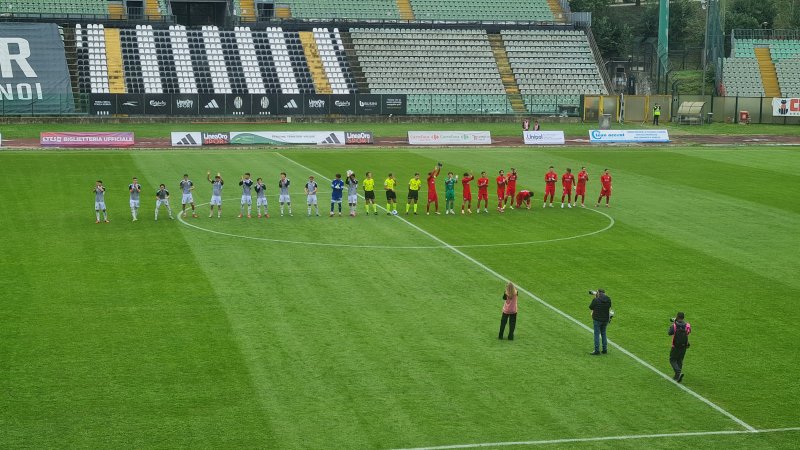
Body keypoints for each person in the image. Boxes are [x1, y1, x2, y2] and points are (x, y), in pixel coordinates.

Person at [668, 312, 692, 383]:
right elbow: (688, 332)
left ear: (677, 316)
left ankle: (678, 373)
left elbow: (669, 333)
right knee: (680, 360)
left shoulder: (674, 325)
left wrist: (672, 325)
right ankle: (677, 376)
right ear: (683, 317)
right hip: (684, 346)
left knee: (672, 359)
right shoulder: (687, 325)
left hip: (675, 346)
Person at [589, 289, 612, 355]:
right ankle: (604, 349)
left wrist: (595, 298)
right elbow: (609, 306)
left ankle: (597, 350)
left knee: (596, 334)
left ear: (598, 293)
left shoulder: (596, 300)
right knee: (603, 333)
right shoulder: (608, 299)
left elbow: (591, 307)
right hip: (605, 320)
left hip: (597, 319)